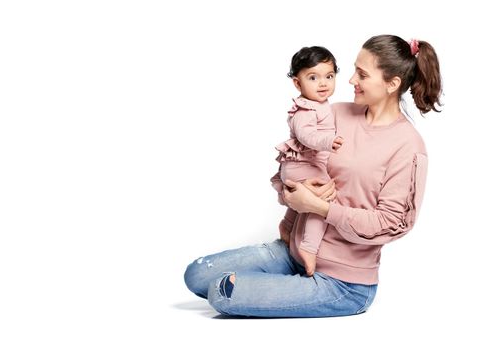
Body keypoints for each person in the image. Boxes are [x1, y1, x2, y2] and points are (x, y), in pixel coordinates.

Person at [184, 34, 442, 318]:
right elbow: (292, 162)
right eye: (354, 69)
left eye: (363, 74)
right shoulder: (335, 113)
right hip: (293, 253)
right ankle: (287, 285)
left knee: (223, 292)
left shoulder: (408, 147)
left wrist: (320, 207)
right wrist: (293, 191)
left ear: (392, 84)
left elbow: (392, 224)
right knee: (196, 275)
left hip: (343, 282)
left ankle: (290, 291)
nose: (351, 80)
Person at [270, 46, 344, 277]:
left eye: (329, 76)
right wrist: (328, 141)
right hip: (302, 165)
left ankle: (288, 226)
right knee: (323, 200)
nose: (323, 84)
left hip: (303, 165)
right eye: (313, 77)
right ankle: (309, 248)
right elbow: (306, 136)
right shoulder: (305, 109)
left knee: (308, 199)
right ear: (297, 83)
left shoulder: (322, 105)